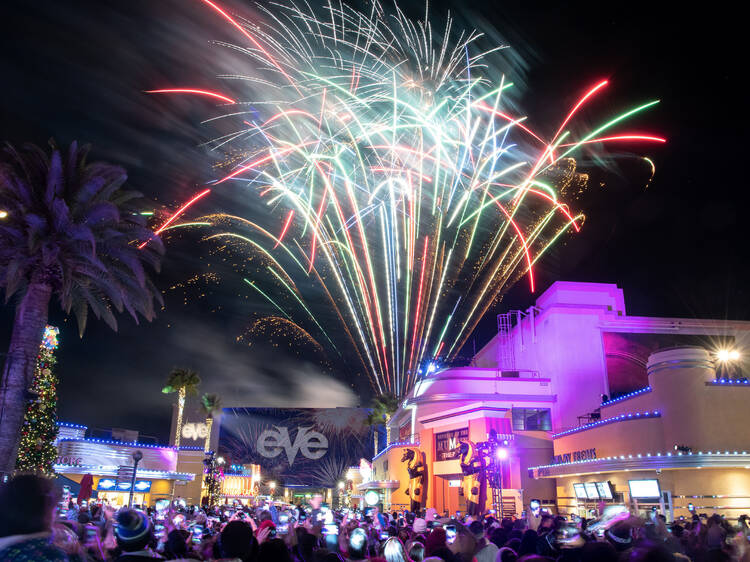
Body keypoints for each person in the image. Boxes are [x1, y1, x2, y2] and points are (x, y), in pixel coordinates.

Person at [0, 474, 70, 561]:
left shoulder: (6, 548)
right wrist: (76, 555)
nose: (56, 516)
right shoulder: (49, 554)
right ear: (44, 512)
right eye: (54, 509)